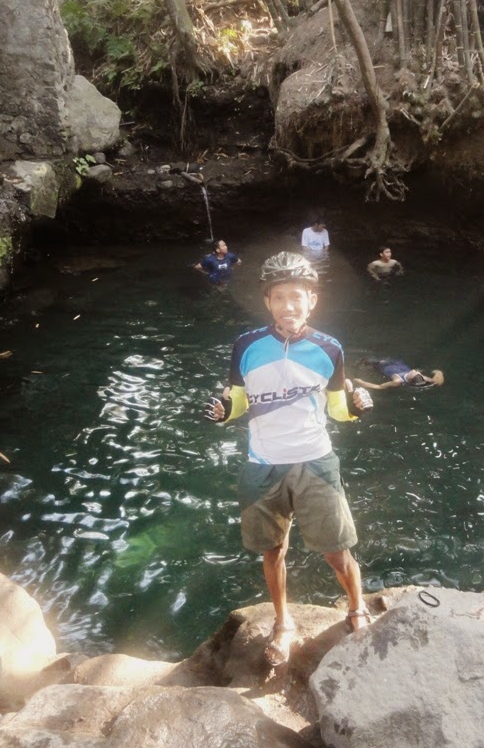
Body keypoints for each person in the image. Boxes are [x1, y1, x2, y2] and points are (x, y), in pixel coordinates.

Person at [204, 251, 374, 667]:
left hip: (315, 459)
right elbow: (240, 400)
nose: (288, 307)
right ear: (268, 303)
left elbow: (336, 410)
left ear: (312, 300)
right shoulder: (246, 346)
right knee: (273, 550)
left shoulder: (328, 348)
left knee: (337, 550)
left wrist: (355, 406)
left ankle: (357, 607)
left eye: (297, 297)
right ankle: (283, 621)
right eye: (279, 298)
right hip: (263, 463)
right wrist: (225, 412)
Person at [353, 358, 445, 390]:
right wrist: (438, 372)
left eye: (413, 373)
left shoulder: (398, 381)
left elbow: (379, 387)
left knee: (369, 361)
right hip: (399, 365)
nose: (414, 370)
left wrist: (361, 382)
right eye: (417, 372)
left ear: (409, 379)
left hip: (382, 367)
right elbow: (438, 381)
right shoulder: (421, 378)